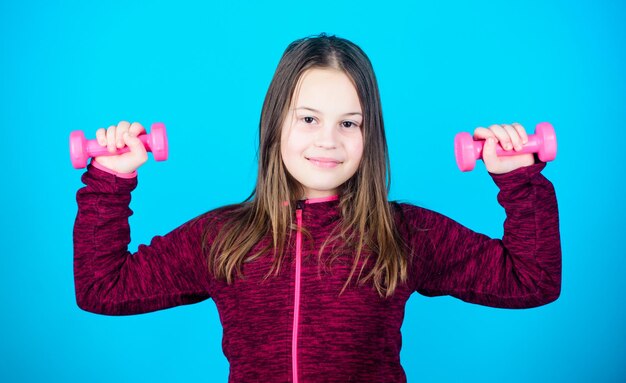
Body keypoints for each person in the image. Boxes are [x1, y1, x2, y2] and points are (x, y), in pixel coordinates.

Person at [73, 33, 561, 383]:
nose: (328, 141)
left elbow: (531, 280)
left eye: (350, 123)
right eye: (309, 118)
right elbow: (102, 289)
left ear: (370, 136)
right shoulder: (223, 237)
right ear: (276, 124)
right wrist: (111, 180)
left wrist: (519, 177)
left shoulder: (404, 233)